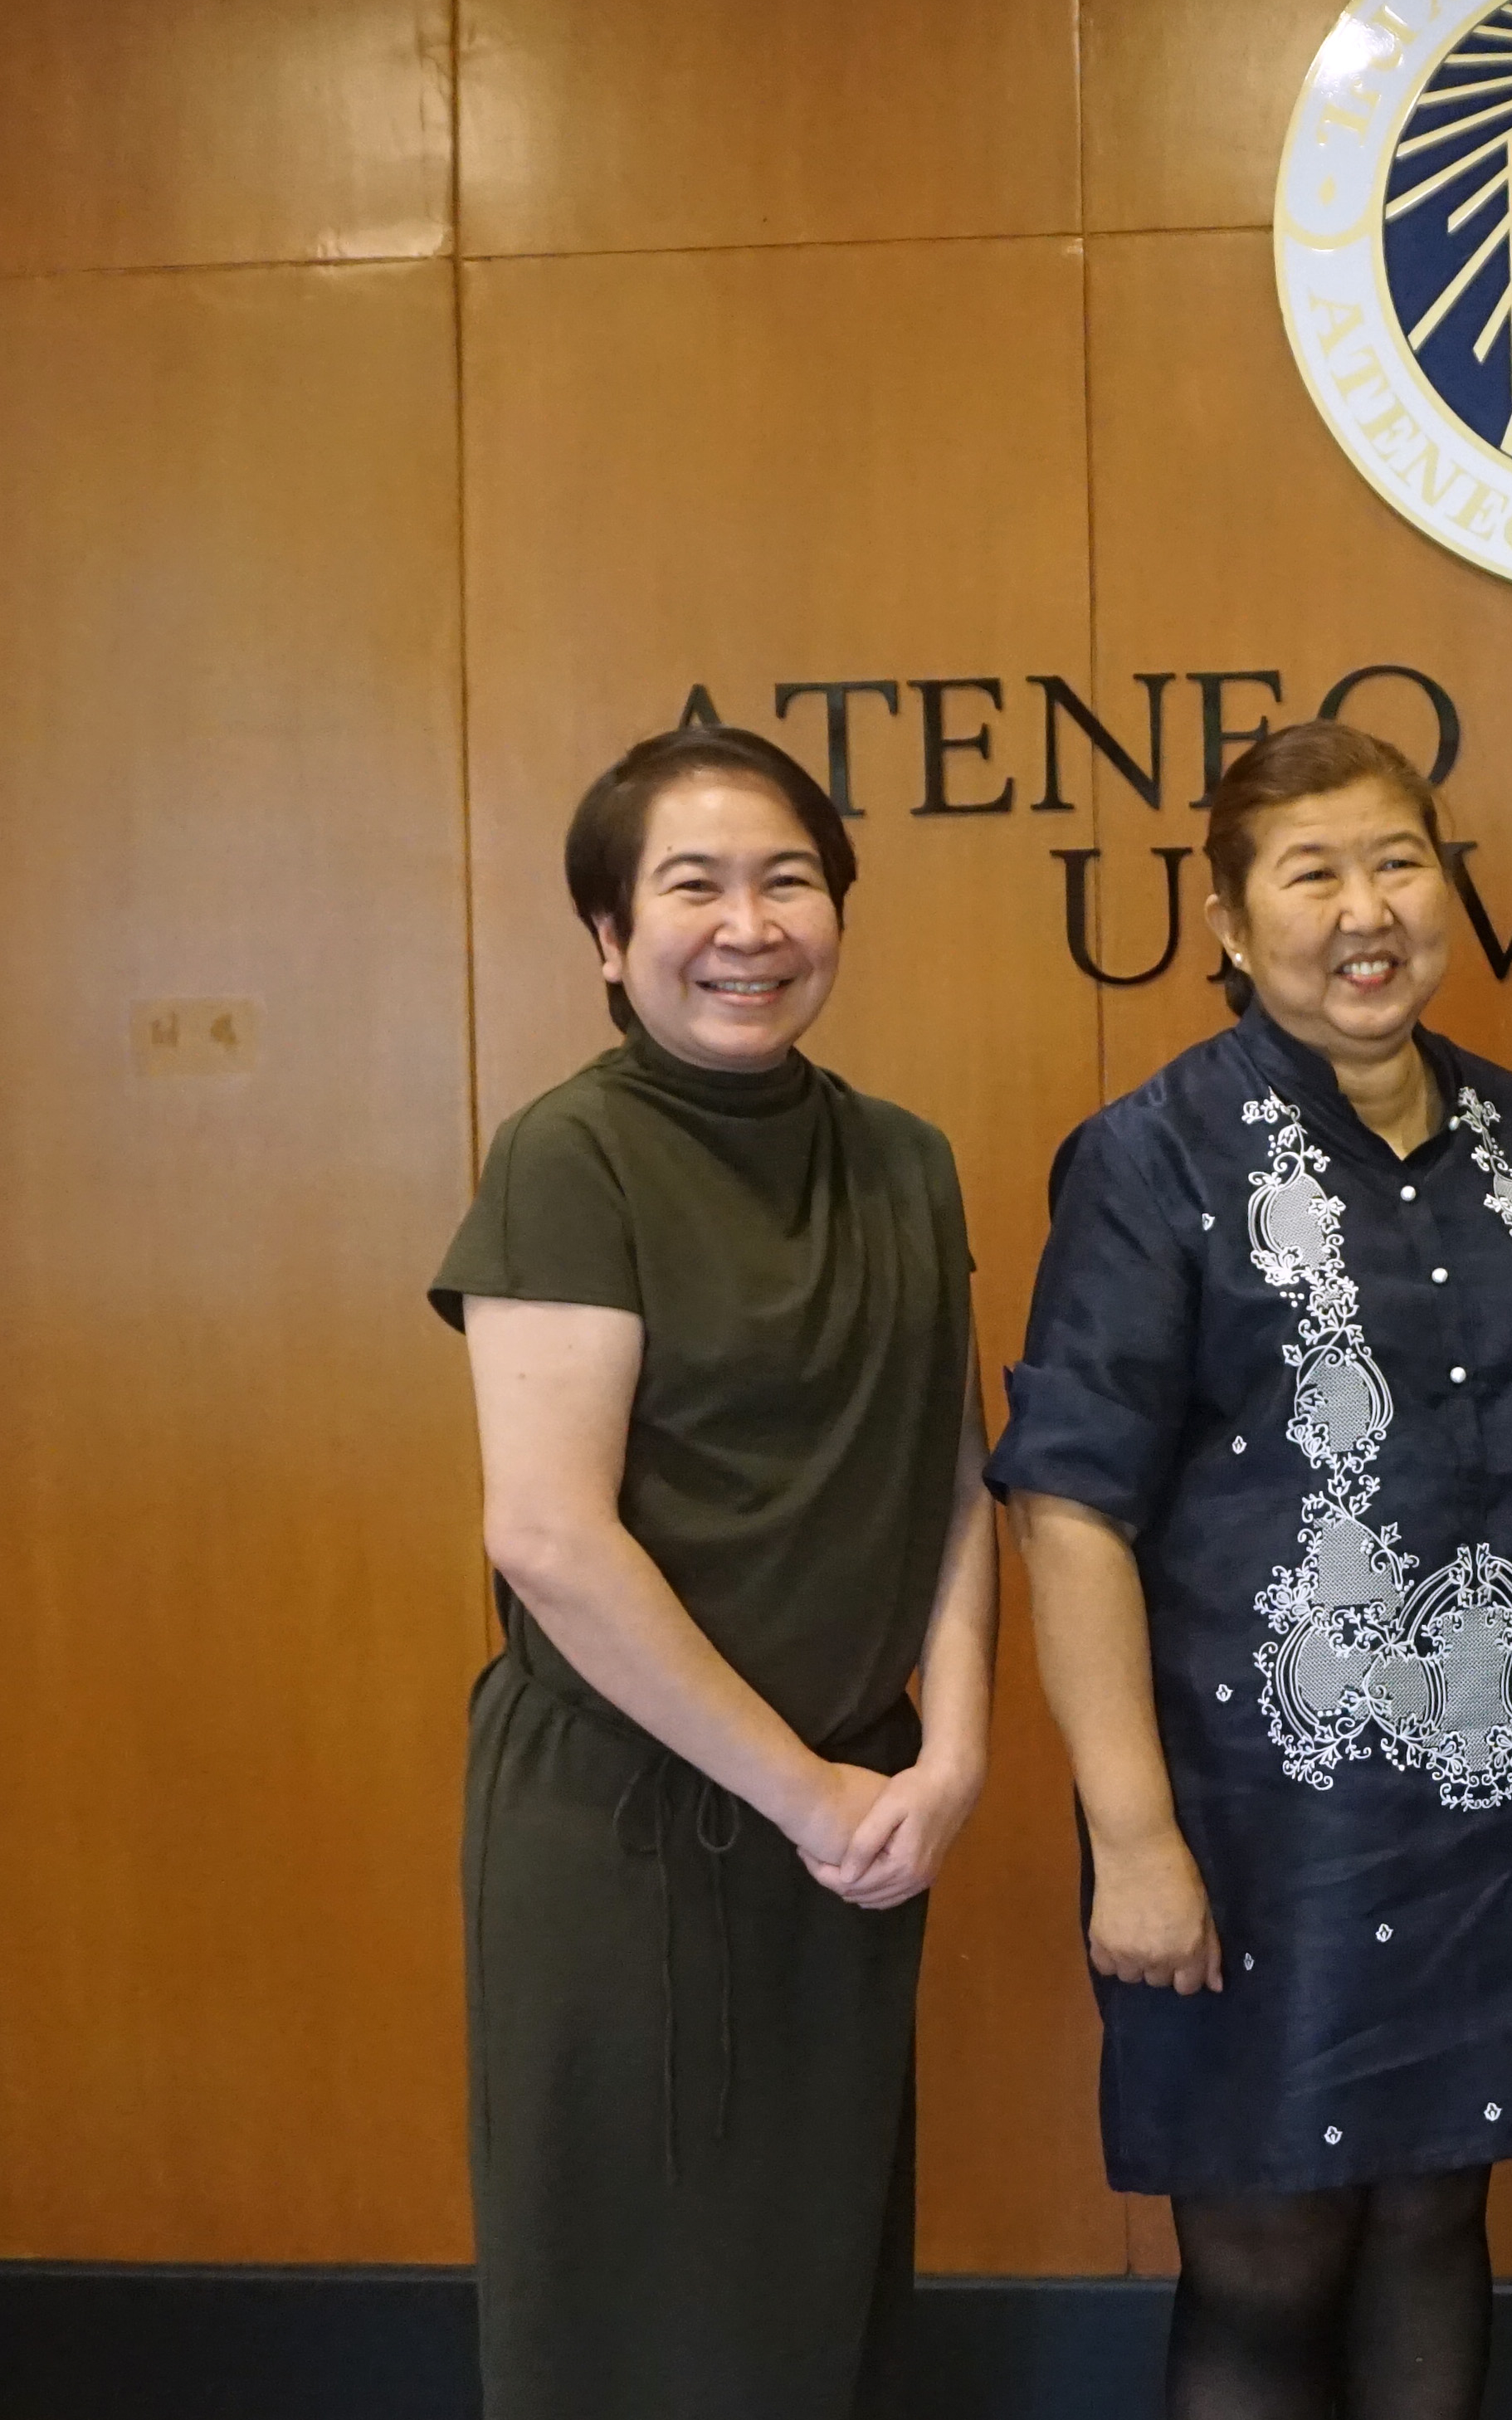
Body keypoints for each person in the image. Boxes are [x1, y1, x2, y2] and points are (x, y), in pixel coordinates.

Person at [993, 720, 1512, 2420]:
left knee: (1440, 2203)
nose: (1365, 909)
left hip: (1496, 1792)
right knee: (1266, 2250)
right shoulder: (1153, 1156)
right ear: (1224, 920)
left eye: (1397, 861)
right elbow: (1068, 1504)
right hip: (1247, 1806)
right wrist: (1130, 1839)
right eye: (1311, 873)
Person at [433, 725, 997, 2420]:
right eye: (692, 884)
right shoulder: (569, 1155)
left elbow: (957, 1473)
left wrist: (949, 1752)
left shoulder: (903, 1155)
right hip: (625, 1816)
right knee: (631, 2306)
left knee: (812, 2295)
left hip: (858, 1810)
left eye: (789, 880)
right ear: (610, 936)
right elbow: (547, 1533)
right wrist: (804, 1791)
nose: (748, 922)